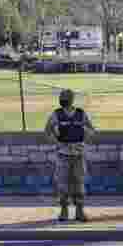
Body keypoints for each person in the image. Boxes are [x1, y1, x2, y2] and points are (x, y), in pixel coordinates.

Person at [45, 88, 97, 222]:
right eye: (62, 97)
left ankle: (79, 210)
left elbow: (91, 129)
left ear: (71, 99)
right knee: (62, 182)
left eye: (65, 98)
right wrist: (56, 142)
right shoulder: (57, 114)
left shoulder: (81, 114)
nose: (63, 100)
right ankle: (64, 211)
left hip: (78, 154)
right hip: (63, 154)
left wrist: (84, 140)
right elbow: (47, 130)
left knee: (79, 182)